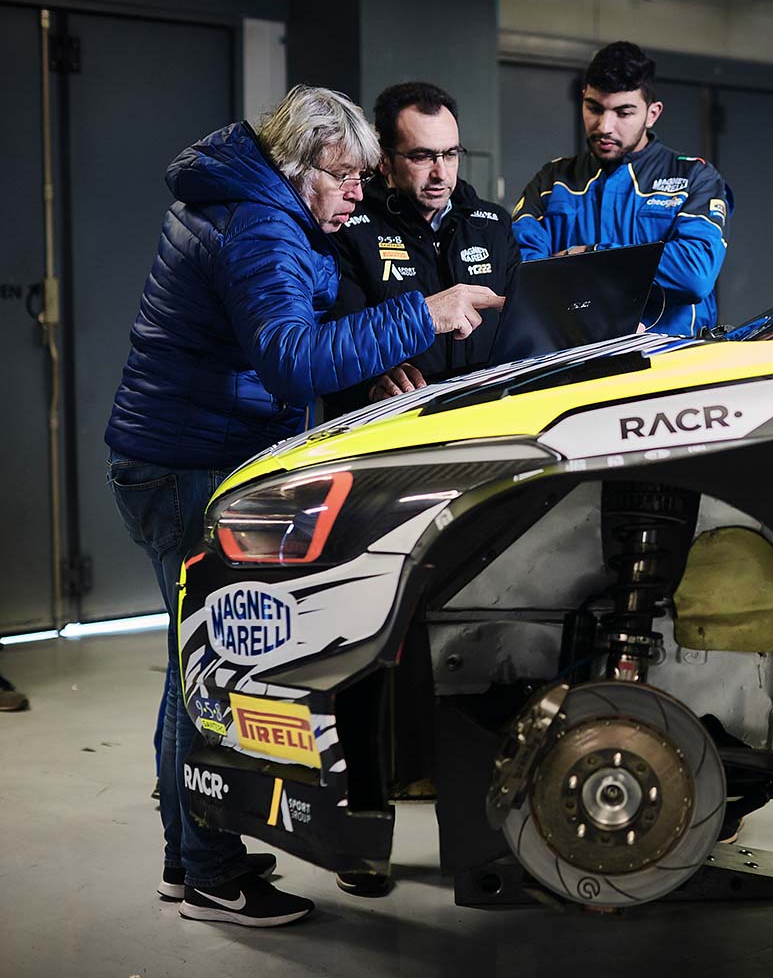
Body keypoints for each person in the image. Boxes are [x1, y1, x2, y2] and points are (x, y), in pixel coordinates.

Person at [104, 85, 502, 928]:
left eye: (364, 175)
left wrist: (379, 342)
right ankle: (211, 874)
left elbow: (298, 318)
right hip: (185, 467)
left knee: (190, 668)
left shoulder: (260, 203)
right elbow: (288, 356)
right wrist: (423, 314)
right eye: (345, 175)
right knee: (202, 673)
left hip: (178, 456)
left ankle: (190, 859)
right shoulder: (260, 222)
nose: (359, 193)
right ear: (299, 166)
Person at [325, 81, 520, 415]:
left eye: (450, 154)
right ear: (384, 161)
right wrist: (371, 381)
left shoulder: (494, 224)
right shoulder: (346, 227)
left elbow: (522, 326)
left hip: (488, 419)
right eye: (421, 156)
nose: (440, 172)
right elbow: (329, 344)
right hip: (391, 428)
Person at [512, 41, 733, 336]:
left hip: (669, 363)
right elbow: (523, 278)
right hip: (571, 361)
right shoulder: (552, 181)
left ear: (652, 113)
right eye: (594, 108)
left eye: (623, 113)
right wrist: (631, 269)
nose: (604, 126)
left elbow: (693, 275)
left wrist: (587, 256)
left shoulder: (696, 178)